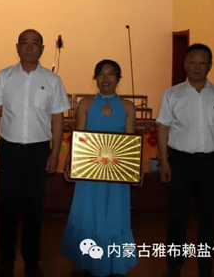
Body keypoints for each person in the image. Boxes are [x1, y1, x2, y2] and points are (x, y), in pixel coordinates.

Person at [0, 29, 71, 277]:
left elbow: (58, 119)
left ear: (42, 49)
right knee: (7, 209)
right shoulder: (3, 77)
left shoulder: (52, 80)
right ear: (17, 47)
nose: (30, 47)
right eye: (25, 43)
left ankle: (32, 262)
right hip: (9, 151)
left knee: (34, 209)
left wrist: (55, 152)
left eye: (35, 43)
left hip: (38, 153)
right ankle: (5, 260)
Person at [157, 43, 214, 277]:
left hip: (211, 164)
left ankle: (205, 268)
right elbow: (163, 130)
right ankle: (174, 266)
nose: (197, 67)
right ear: (185, 64)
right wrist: (164, 161)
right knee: (177, 218)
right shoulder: (172, 94)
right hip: (181, 163)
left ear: (210, 66)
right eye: (192, 62)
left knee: (209, 219)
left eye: (202, 63)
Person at [61, 59, 140, 276]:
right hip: (89, 172)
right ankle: (87, 260)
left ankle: (113, 261)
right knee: (88, 212)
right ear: (95, 78)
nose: (106, 79)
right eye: (101, 74)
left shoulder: (128, 107)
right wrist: (70, 161)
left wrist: (135, 169)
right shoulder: (85, 104)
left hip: (116, 174)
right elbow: (79, 135)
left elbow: (130, 142)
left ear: (118, 78)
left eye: (111, 74)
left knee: (114, 213)